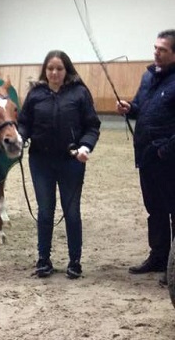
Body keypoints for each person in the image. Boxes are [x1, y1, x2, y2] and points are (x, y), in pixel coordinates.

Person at [18, 50, 101, 279]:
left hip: (71, 162)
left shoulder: (80, 93)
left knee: (72, 212)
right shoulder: (35, 94)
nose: (54, 73)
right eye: (50, 69)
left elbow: (92, 125)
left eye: (59, 69)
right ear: (45, 71)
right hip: (40, 161)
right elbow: (24, 123)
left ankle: (75, 262)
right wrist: (20, 137)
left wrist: (85, 146)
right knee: (45, 212)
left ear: (67, 71)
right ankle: (43, 260)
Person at [116, 29, 175, 286]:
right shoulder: (149, 76)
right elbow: (142, 107)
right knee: (155, 210)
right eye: (155, 48)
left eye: (162, 50)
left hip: (168, 159)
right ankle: (159, 257)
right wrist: (130, 108)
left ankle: (174, 267)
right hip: (147, 157)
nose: (156, 53)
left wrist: (166, 149)